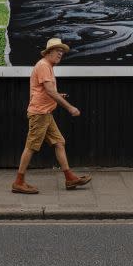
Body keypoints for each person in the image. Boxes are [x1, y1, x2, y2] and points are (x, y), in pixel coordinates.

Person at [11, 38, 91, 194]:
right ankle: (18, 182)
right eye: (57, 51)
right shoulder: (43, 66)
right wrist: (70, 107)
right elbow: (49, 90)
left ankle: (70, 178)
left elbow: (44, 90)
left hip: (46, 114)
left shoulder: (47, 66)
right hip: (39, 114)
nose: (60, 54)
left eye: (62, 52)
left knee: (59, 143)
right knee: (31, 147)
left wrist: (57, 95)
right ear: (48, 52)